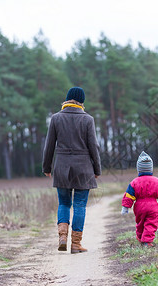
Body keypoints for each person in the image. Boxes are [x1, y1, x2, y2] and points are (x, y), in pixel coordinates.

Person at [42, 86, 101, 254]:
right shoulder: (88, 119)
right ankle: (76, 244)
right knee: (80, 205)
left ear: (67, 99)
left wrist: (47, 167)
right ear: (82, 101)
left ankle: (62, 237)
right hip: (84, 168)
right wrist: (97, 169)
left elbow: (49, 146)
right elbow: (93, 148)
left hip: (61, 167)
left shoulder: (56, 118)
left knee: (64, 203)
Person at [121, 151, 158, 246]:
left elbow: (129, 196)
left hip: (139, 207)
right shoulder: (157, 181)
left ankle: (140, 238)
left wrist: (125, 207)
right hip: (153, 207)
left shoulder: (134, 182)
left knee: (140, 223)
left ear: (139, 170)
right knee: (151, 223)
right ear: (151, 169)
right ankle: (146, 241)